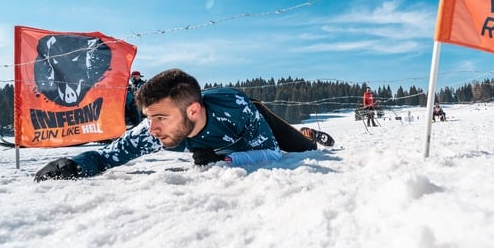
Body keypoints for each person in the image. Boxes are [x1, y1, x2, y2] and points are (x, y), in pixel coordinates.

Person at [34, 68, 334, 181]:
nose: (153, 129)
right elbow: (109, 155)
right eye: (149, 118)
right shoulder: (155, 128)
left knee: (303, 149)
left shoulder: (237, 110)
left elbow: (270, 153)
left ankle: (305, 133)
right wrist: (76, 164)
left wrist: (227, 160)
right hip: (224, 138)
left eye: (160, 118)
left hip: (253, 122)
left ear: (192, 111)